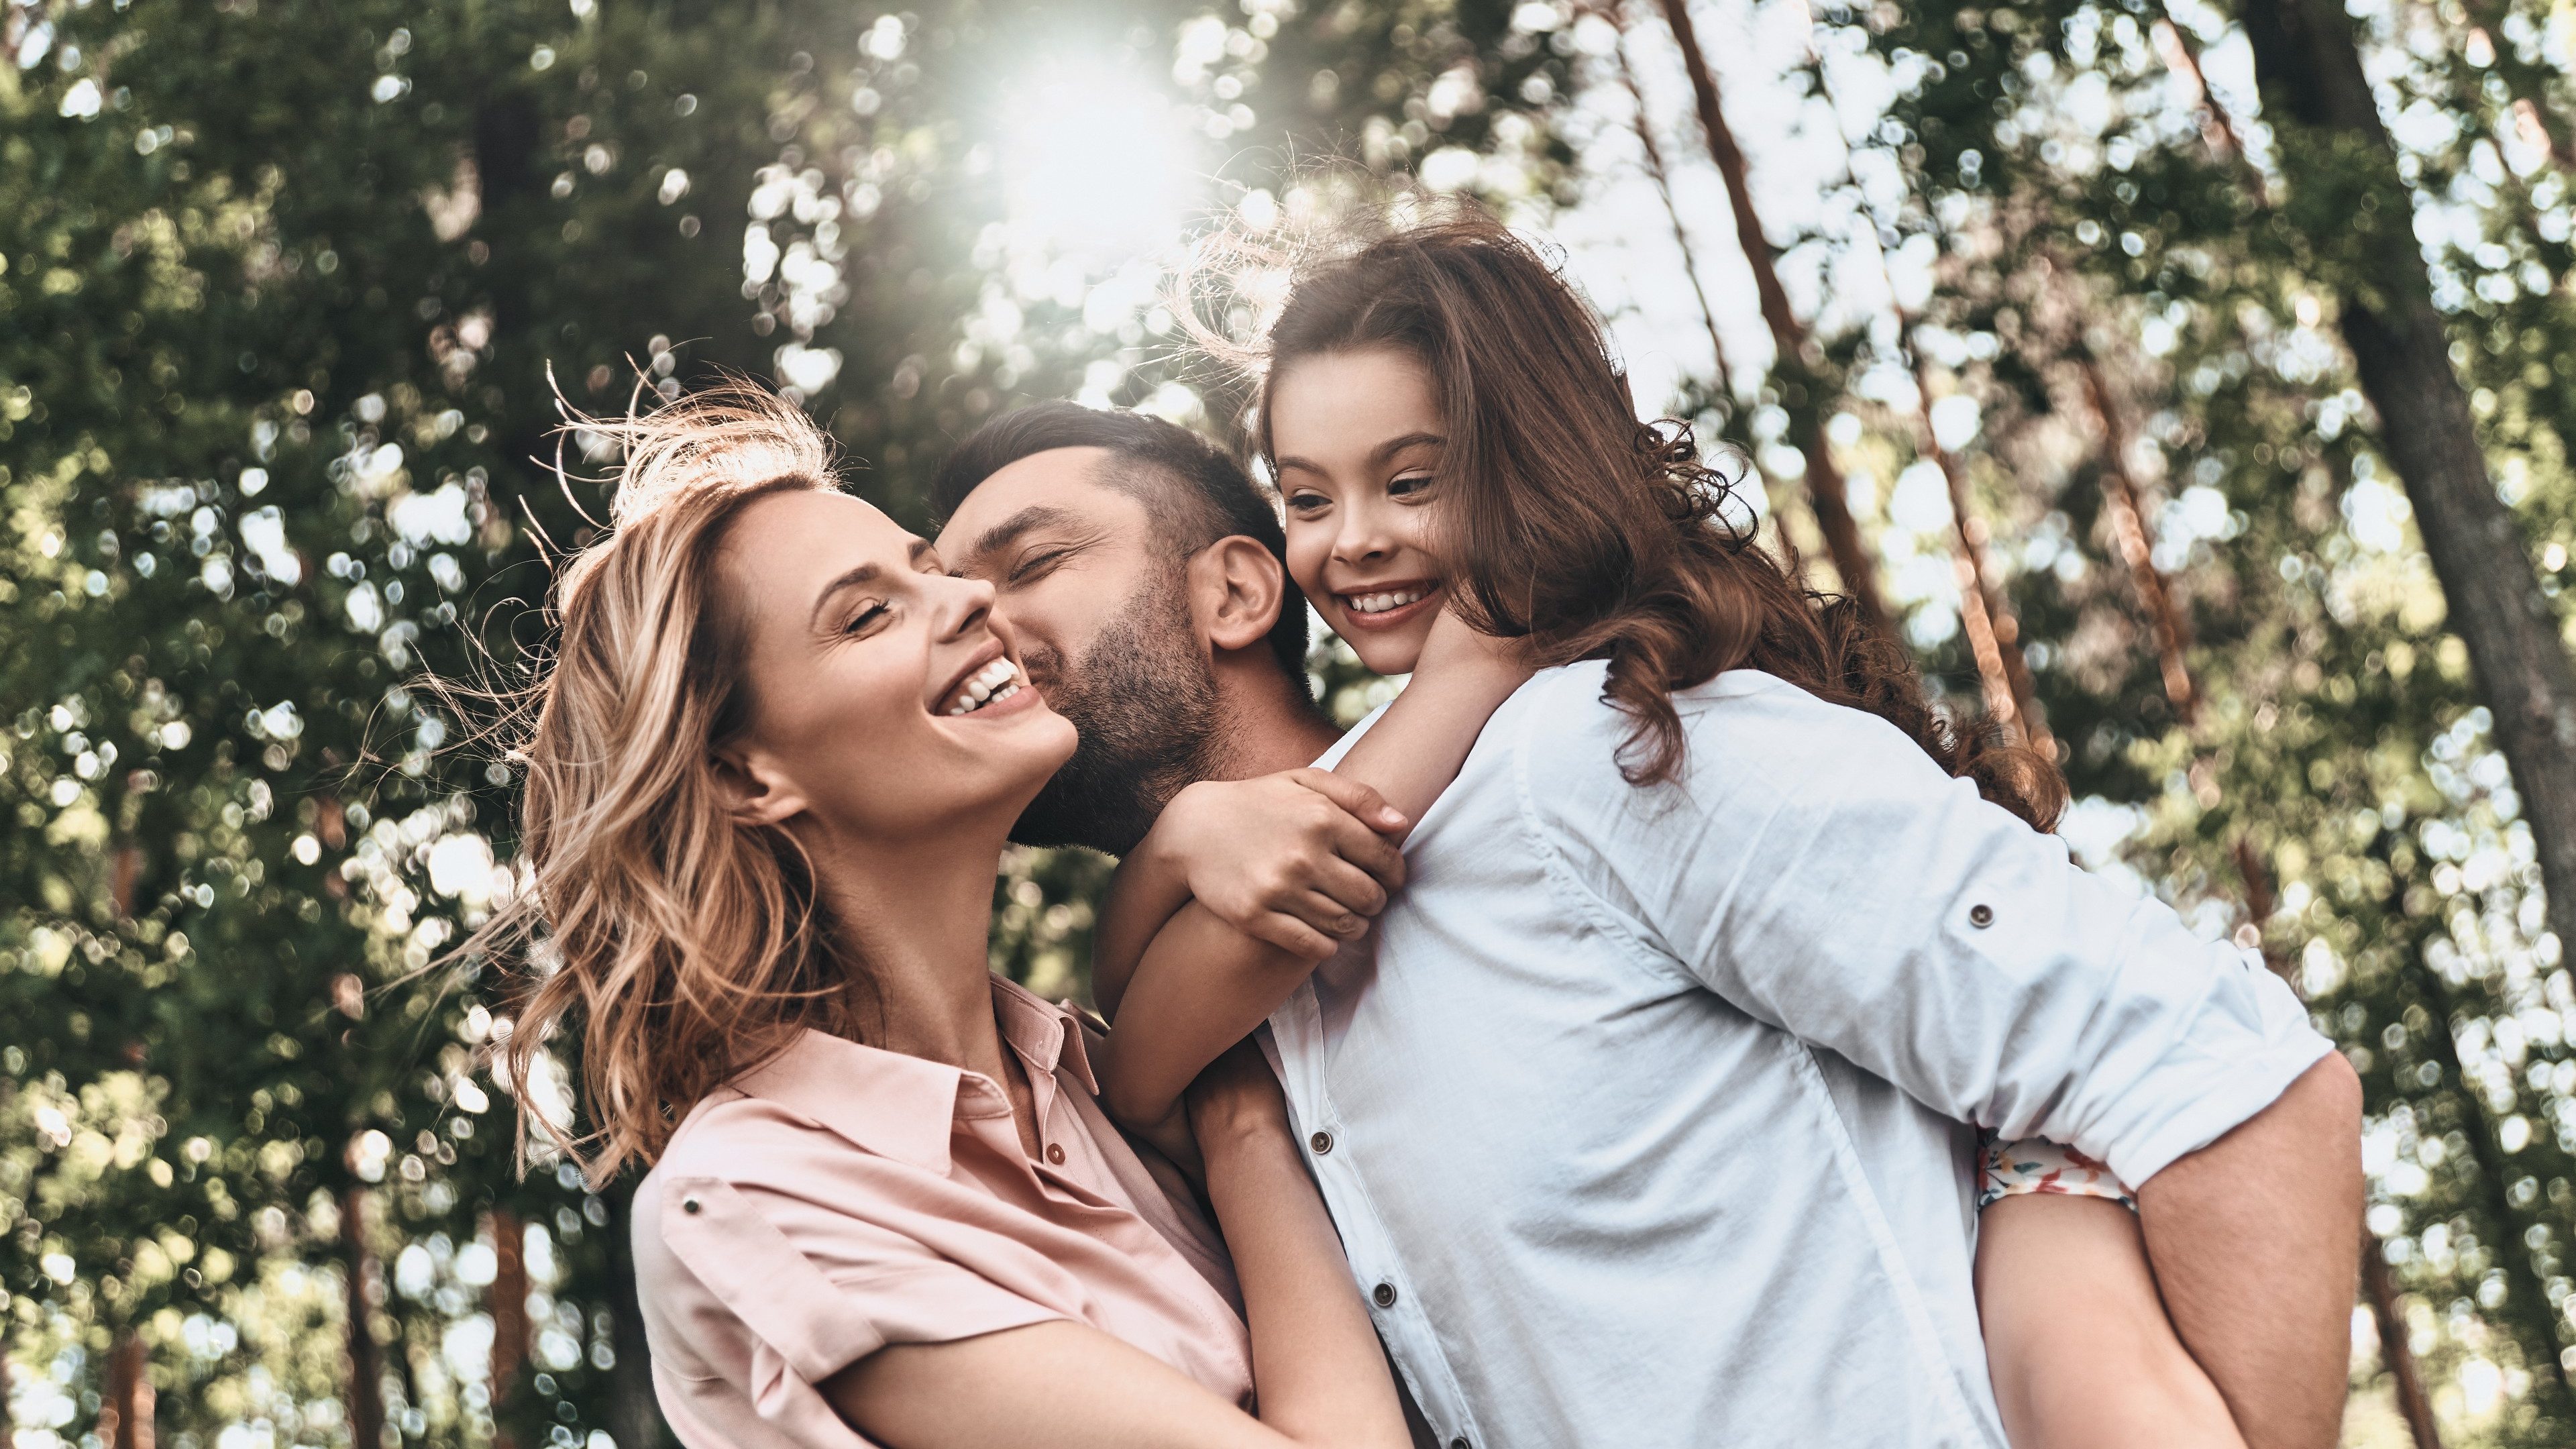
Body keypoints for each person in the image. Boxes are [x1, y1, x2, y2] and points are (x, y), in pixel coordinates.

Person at [930, 217, 2362, 1448]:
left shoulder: (1596, 751)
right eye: (1317, 496)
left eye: (1028, 564)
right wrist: (1188, 852)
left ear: (1241, 594)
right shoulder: (1206, 1033)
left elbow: (2225, 1071)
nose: (964, 625)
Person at [463, 386, 1421, 1449]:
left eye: (933, 573)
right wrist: (1239, 1123)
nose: (972, 605)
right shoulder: (757, 1201)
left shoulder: (1095, 1086)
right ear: (745, 776)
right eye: (869, 613)